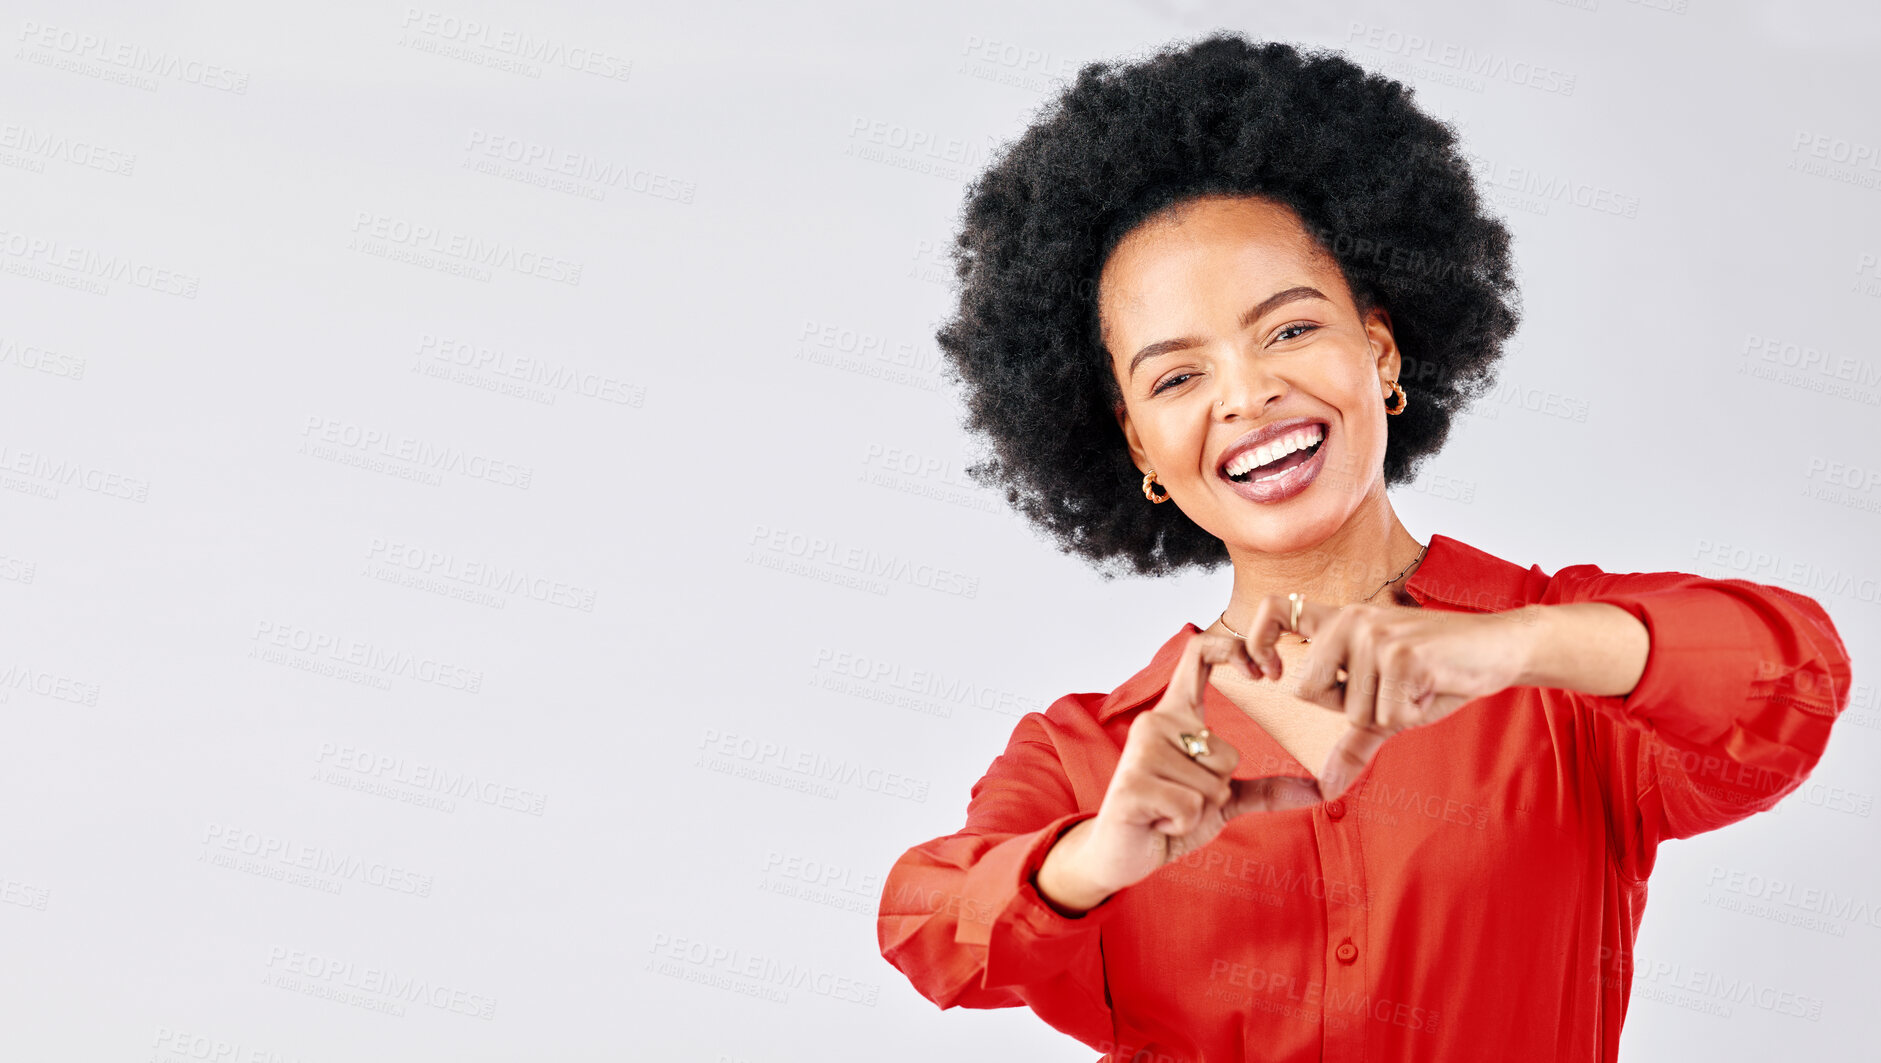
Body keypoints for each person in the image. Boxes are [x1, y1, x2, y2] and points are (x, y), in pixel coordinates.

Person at [875, 33, 1853, 1063]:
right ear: (1138, 447)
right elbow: (926, 926)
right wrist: (1095, 857)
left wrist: (1519, 646)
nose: (1248, 396)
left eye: (1289, 330)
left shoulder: (1571, 678)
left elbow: (1790, 678)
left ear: (1378, 350)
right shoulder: (1090, 755)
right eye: (1176, 378)